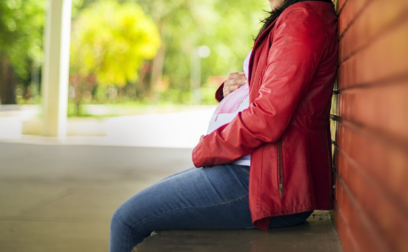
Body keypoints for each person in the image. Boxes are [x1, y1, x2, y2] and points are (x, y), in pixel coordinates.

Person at [110, 0, 338, 251]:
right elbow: (280, 93)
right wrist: (245, 84)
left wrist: (207, 148)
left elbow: (269, 116)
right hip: (255, 171)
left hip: (264, 184)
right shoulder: (298, 16)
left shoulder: (303, 18)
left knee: (126, 220)